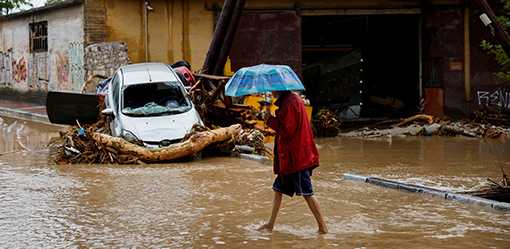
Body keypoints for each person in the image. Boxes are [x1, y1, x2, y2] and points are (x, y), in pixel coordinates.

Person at [258, 90, 328, 234]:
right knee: (278, 190)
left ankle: (323, 227)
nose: (271, 91)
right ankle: (270, 224)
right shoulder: (290, 100)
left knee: (307, 193)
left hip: (296, 158)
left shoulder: (290, 103)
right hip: (291, 158)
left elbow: (287, 130)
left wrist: (270, 119)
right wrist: (269, 113)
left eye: (273, 89)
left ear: (279, 89)